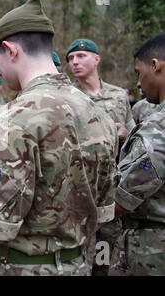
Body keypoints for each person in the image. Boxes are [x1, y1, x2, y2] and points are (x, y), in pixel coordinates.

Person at [0, 0, 119, 276]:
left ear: (11, 50)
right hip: (78, 266)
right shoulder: (99, 114)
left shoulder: (14, 118)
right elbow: (103, 212)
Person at [66, 38, 136, 275]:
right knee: (74, 253)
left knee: (106, 249)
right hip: (77, 188)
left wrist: (125, 133)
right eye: (71, 58)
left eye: (80, 56)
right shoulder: (67, 96)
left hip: (111, 190)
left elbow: (132, 134)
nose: (75, 62)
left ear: (96, 59)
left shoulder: (118, 96)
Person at [110, 33, 165, 276]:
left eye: (138, 71)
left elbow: (121, 200)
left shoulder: (158, 128)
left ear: (155, 65)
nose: (139, 81)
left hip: (150, 249)